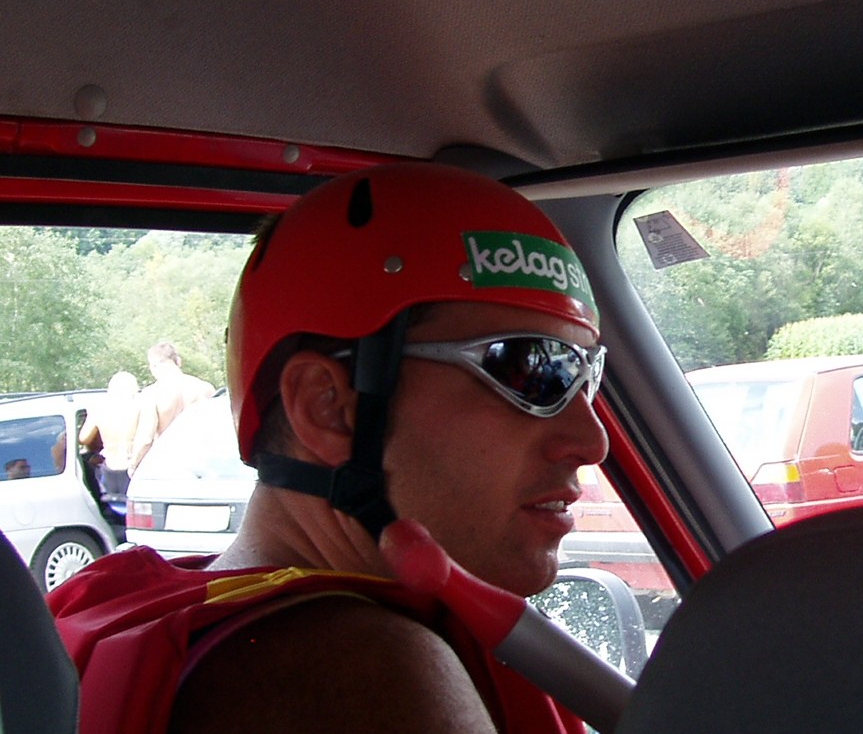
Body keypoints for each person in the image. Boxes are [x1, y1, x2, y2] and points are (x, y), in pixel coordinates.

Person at [50, 163, 609, 733]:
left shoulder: (133, 606)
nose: (593, 442)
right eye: (532, 370)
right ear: (329, 408)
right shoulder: (362, 673)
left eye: (588, 376)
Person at [128, 342, 215, 474]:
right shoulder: (205, 388)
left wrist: (133, 464)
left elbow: (146, 438)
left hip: (167, 462)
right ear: (178, 361)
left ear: (153, 365)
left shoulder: (152, 394)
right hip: (202, 461)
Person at [78, 371, 140, 499]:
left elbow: (83, 438)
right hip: (132, 466)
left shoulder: (99, 409)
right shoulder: (139, 408)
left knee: (113, 505)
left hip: (110, 466)